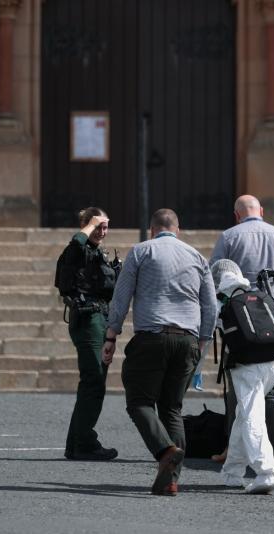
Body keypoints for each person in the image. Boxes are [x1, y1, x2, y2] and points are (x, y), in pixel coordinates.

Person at [102, 208, 217, 496]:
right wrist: (203, 340)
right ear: (177, 229)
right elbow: (211, 306)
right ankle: (171, 480)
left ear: (152, 229)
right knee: (172, 408)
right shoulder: (197, 256)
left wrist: (111, 333)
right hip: (187, 340)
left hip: (151, 338)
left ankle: (165, 450)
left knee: (139, 402)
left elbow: (122, 295)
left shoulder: (141, 252)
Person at [209, 194, 274, 489]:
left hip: (245, 345)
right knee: (250, 409)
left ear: (237, 215)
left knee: (250, 410)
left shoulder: (229, 236)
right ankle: (233, 472)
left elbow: (212, 276)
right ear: (261, 211)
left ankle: (266, 472)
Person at [57, 207, 119, 462]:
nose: (102, 232)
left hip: (100, 318)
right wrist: (89, 225)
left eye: (105, 227)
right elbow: (76, 244)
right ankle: (85, 443)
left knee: (91, 382)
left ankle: (76, 444)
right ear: (86, 227)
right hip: (89, 319)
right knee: (94, 381)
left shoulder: (97, 254)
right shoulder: (77, 250)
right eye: (97, 227)